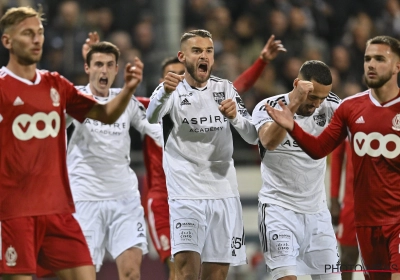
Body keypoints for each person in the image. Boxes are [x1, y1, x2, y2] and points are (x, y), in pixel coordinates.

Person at [0, 6, 143, 280]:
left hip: (58, 211)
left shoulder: (56, 84)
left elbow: (106, 114)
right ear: (7, 41)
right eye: (27, 33)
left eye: (39, 33)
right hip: (15, 213)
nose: (36, 39)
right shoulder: (2, 87)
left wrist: (127, 89)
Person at [140, 34, 286, 280]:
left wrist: (236, 118)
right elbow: (151, 118)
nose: (204, 55)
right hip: (186, 196)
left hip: (223, 195)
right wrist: (164, 92)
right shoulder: (170, 90)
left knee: (217, 276)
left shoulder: (225, 88)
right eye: (196, 50)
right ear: (182, 56)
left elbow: (252, 136)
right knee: (186, 274)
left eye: (208, 51)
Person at [265, 35, 400, 280]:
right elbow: (320, 149)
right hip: (366, 222)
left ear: (397, 66)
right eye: (368, 58)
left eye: (380, 59)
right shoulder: (350, 108)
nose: (371, 64)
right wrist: (292, 127)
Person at [66, 41, 160, 279]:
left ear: (117, 69)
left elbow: (156, 131)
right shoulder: (74, 98)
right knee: (83, 276)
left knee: (131, 273)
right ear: (88, 68)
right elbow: (49, 126)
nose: (104, 70)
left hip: (124, 199)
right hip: (84, 199)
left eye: (109, 65)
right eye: (98, 64)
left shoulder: (127, 100)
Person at [252, 60, 342, 280]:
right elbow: (268, 142)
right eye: (313, 97)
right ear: (297, 84)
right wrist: (292, 107)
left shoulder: (332, 106)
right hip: (279, 212)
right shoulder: (268, 106)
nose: (318, 104)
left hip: (318, 215)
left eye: (322, 97)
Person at [330, 140, 359, 280]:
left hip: (384, 202)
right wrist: (334, 200)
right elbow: (337, 156)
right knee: (347, 258)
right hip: (352, 202)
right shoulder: (347, 118)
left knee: (381, 261)